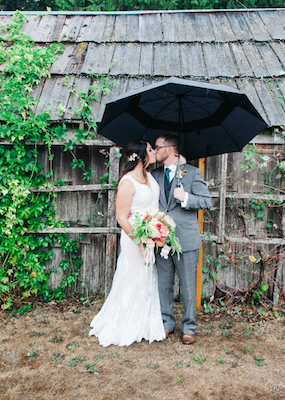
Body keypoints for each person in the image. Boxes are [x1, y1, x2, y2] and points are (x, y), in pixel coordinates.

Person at [89, 140, 166, 347]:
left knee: (147, 276)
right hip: (134, 237)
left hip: (151, 234)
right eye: (150, 150)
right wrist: (140, 240)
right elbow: (122, 217)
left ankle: (144, 321)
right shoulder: (127, 182)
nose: (154, 152)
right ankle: (125, 321)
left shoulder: (149, 176)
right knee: (133, 277)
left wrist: (157, 229)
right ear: (140, 156)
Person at [152, 133, 213, 345]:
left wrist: (185, 198)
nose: (156, 151)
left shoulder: (192, 173)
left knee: (188, 286)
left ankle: (188, 327)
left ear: (169, 149)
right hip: (160, 239)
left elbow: (207, 201)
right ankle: (166, 324)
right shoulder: (154, 174)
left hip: (186, 240)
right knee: (164, 285)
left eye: (158, 147)